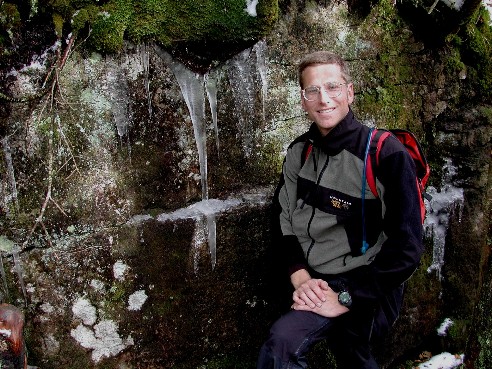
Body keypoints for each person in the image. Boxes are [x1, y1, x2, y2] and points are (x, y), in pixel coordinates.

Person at [257, 51, 424, 369]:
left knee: (348, 343)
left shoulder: (385, 154)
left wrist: (348, 297)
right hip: (316, 280)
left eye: (332, 87)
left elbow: (408, 247)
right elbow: (283, 218)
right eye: (313, 91)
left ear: (349, 92)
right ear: (303, 100)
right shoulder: (299, 152)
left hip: (371, 282)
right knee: (283, 345)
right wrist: (299, 275)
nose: (324, 99)